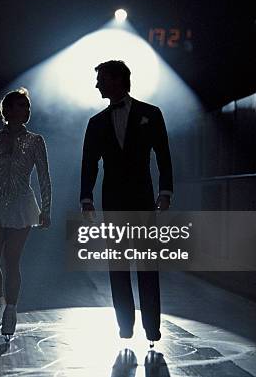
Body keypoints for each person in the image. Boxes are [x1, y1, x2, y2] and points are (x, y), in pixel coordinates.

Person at [80, 60, 173, 348]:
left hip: (143, 199)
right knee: (118, 265)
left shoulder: (151, 113)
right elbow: (89, 163)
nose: (97, 85)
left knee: (147, 264)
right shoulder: (96, 122)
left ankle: (152, 327)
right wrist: (87, 197)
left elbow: (163, 155)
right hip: (114, 200)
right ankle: (125, 327)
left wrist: (166, 190)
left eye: (101, 79)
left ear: (118, 79)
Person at [0, 87, 52, 341]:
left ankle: (12, 310)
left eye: (27, 106)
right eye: (20, 106)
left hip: (21, 204)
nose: (26, 110)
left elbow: (44, 177)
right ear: (6, 111)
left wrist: (46, 209)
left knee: (12, 261)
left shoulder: (36, 140)